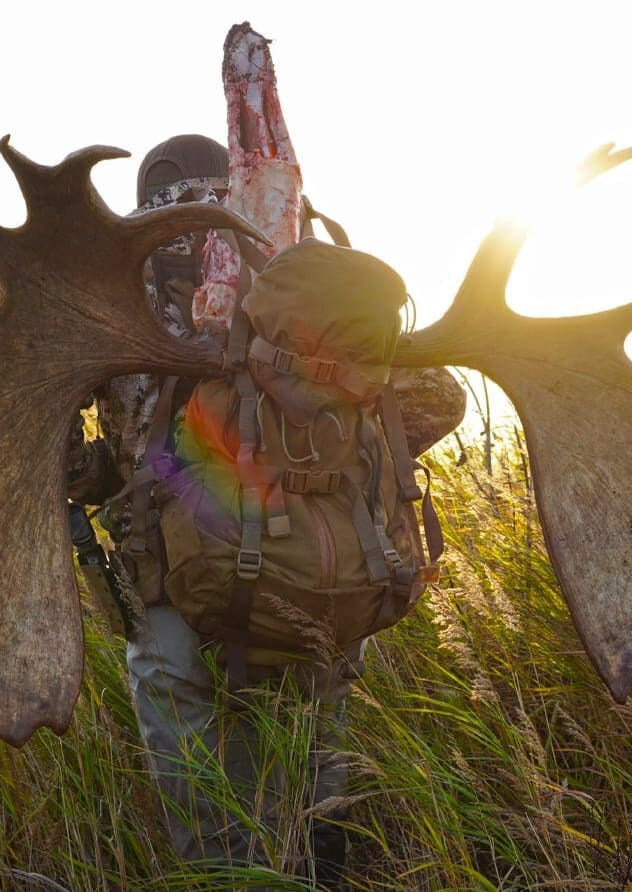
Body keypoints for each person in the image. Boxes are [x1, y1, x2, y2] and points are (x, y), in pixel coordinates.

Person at [67, 134, 463, 885]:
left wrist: (101, 473)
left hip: (171, 570)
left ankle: (230, 876)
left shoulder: (110, 294)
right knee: (312, 720)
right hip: (321, 556)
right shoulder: (298, 277)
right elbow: (438, 398)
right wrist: (335, 452)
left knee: (183, 717)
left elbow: (101, 455)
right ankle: (313, 869)